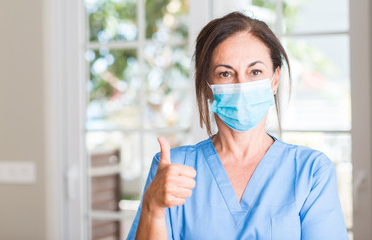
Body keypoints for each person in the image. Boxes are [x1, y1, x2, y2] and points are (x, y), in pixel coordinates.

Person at [127, 11, 348, 239]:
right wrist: (152, 209)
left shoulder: (310, 172)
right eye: (225, 73)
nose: (242, 84)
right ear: (207, 86)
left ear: (274, 79)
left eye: (255, 72)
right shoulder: (173, 168)